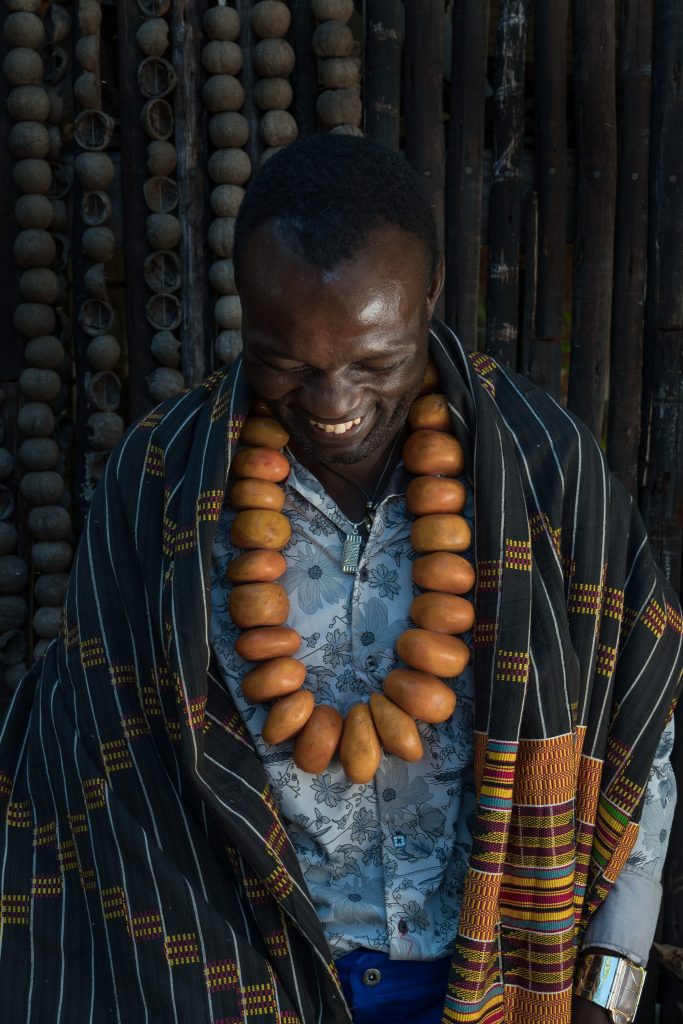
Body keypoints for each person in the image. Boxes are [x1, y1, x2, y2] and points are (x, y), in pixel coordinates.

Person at [0, 135, 680, 1024]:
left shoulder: (548, 477)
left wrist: (610, 979)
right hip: (228, 986)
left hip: (506, 983)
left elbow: (642, 731)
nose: (332, 403)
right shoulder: (163, 485)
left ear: (429, 297)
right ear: (245, 313)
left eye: (372, 361)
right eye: (288, 363)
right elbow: (91, 755)